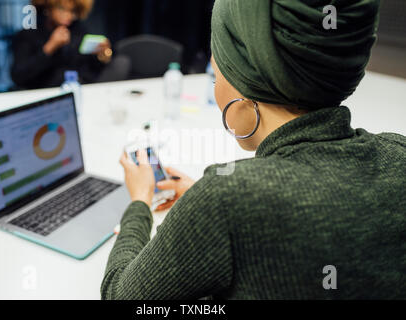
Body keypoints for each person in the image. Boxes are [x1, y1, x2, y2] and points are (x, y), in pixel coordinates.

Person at [101, 0, 405, 299]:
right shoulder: (399, 154)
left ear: (243, 82)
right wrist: (209, 217)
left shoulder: (226, 199)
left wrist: (140, 202)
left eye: (216, 67)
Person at [11, 0, 130, 89]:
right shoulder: (29, 35)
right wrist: (49, 48)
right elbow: (19, 76)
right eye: (62, 9)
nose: (68, 15)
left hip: (80, 88)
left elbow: (88, 68)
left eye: (73, 11)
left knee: (121, 62)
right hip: (45, 93)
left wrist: (102, 54)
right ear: (48, 7)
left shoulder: (77, 30)